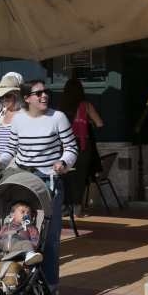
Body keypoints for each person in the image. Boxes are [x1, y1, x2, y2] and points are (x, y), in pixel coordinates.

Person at [0, 79, 78, 295]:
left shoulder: (57, 117)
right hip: (23, 180)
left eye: (46, 92)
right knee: (19, 230)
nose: (44, 96)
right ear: (27, 98)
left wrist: (63, 163)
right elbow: (10, 149)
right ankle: (16, 278)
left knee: (49, 237)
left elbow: (71, 147)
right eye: (38, 93)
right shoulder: (18, 119)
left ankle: (51, 285)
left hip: (49, 181)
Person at [57, 76, 104, 209]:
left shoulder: (61, 107)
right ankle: (76, 207)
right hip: (82, 145)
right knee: (80, 176)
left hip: (64, 145)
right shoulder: (86, 105)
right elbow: (100, 123)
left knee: (65, 175)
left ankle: (64, 205)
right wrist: (87, 123)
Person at [0, 74, 24, 172]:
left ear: (16, 95)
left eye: (7, 95)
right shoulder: (0, 116)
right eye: (1, 96)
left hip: (17, 169)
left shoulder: (24, 116)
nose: (4, 99)